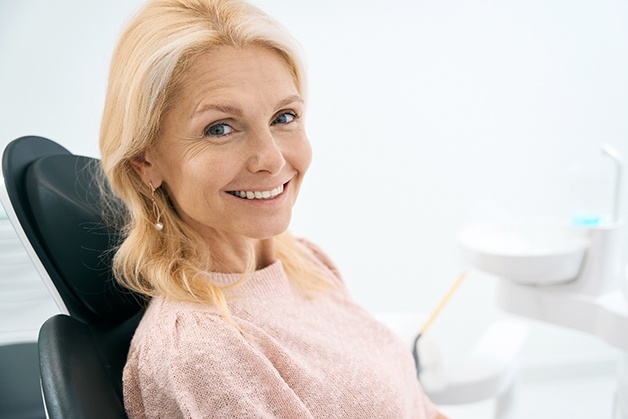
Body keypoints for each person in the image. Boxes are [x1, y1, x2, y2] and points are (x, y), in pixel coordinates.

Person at [99, 0, 445, 417]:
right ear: (145, 161)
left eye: (284, 117)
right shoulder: (200, 350)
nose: (272, 159)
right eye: (220, 128)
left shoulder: (305, 263)